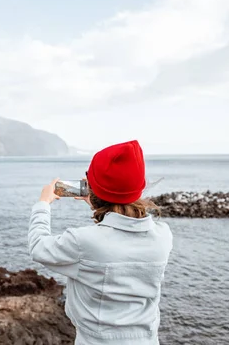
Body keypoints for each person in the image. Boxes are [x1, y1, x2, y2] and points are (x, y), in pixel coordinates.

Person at [28, 140, 173, 345]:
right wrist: (99, 200)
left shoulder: (83, 241)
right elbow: (117, 233)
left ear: (92, 188)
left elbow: (38, 247)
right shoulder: (163, 237)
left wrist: (43, 204)